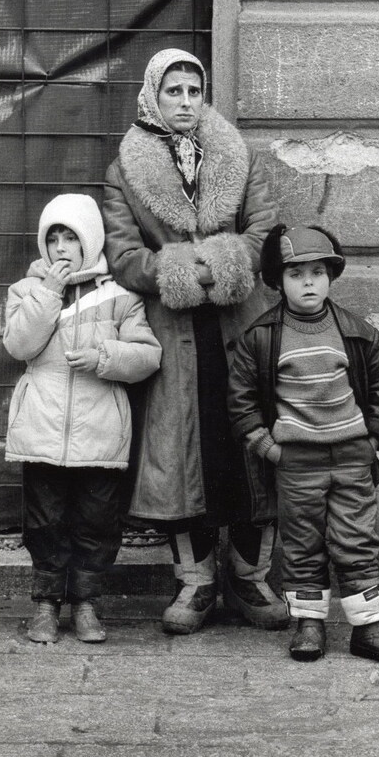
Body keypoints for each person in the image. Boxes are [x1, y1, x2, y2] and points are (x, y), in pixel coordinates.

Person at [103, 48, 288, 635]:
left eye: (193, 90)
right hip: (174, 337)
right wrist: (187, 272)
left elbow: (264, 233)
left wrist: (221, 263)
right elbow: (125, 257)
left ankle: (251, 578)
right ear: (152, 97)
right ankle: (197, 582)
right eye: (173, 91)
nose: (184, 102)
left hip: (244, 327)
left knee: (252, 451)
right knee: (182, 461)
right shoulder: (125, 170)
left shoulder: (238, 155)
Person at [228, 224, 379, 666]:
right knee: (302, 544)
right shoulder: (262, 337)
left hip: (351, 456)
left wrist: (373, 440)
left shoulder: (356, 333)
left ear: (332, 275)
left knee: (356, 541)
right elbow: (241, 400)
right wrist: (267, 446)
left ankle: (371, 628)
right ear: (278, 282)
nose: (308, 282)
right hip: (295, 460)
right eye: (296, 274)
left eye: (317, 271)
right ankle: (309, 624)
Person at [3, 193, 161, 644]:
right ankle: (46, 606)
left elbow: (148, 355)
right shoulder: (26, 290)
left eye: (70, 237)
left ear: (89, 241)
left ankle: (87, 604)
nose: (60, 247)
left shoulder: (119, 297)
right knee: (45, 522)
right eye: (52, 237)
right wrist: (49, 292)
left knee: (96, 522)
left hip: (100, 433)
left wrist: (103, 355)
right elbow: (20, 345)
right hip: (41, 430)